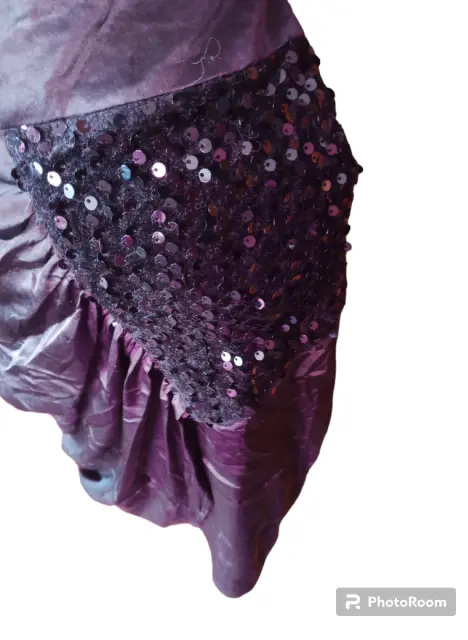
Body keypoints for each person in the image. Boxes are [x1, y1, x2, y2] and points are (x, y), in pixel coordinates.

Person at [0, 0, 361, 597]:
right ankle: (233, 526)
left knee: (247, 350)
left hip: (223, 109)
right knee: (225, 357)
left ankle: (236, 524)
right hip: (117, 125)